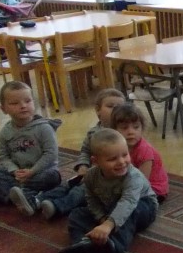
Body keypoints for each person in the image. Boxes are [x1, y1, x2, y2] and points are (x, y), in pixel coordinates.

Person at [14, 88, 126, 219]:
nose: (116, 110)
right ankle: (36, 201)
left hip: (105, 180)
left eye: (120, 107)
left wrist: (95, 173)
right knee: (66, 185)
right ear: (98, 110)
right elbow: (85, 151)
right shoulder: (93, 133)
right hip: (88, 174)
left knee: (79, 192)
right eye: (110, 106)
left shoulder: (122, 136)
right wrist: (83, 165)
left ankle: (56, 207)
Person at [59, 128, 158, 253]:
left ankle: (114, 247)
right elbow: (91, 199)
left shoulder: (133, 176)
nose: (121, 162)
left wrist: (108, 224)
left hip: (143, 206)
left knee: (129, 212)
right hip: (109, 206)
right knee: (77, 214)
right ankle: (82, 243)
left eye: (125, 155)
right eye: (112, 159)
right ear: (95, 161)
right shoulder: (91, 176)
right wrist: (101, 218)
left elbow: (128, 202)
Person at [0, 81, 61, 206]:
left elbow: (51, 154)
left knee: (52, 176)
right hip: (17, 174)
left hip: (40, 172)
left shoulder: (44, 128)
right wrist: (14, 171)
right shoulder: (4, 132)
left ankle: (18, 194)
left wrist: (32, 171)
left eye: (28, 101)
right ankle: (22, 195)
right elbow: (3, 156)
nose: (23, 106)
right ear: (3, 109)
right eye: (15, 103)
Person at [110, 103, 169, 202]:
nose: (131, 132)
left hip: (152, 189)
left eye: (136, 127)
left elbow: (142, 181)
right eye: (124, 128)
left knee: (120, 202)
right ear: (115, 130)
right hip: (130, 181)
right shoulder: (118, 146)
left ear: (142, 128)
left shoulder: (145, 150)